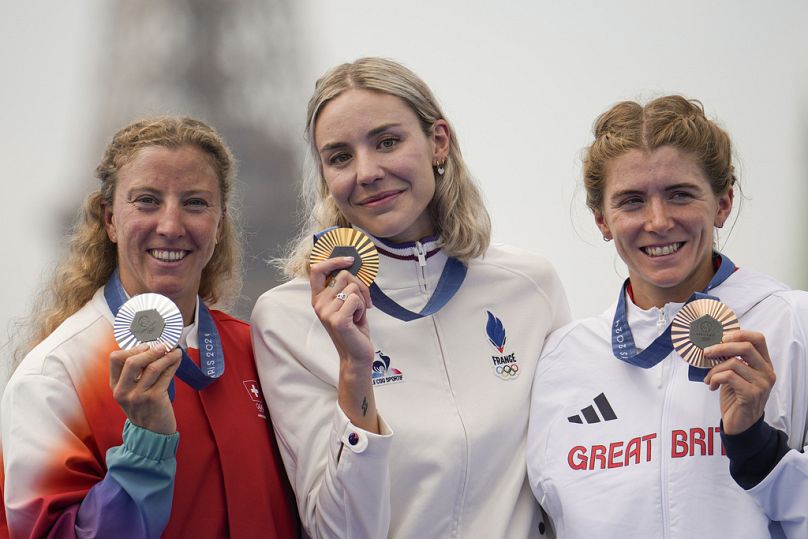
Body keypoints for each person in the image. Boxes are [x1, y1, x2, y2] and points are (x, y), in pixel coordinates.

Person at [251, 57, 570, 539]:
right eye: (340, 157)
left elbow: (566, 482)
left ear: (438, 141)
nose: (367, 171)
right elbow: (338, 531)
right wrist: (354, 371)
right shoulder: (288, 318)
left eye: (387, 142)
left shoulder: (529, 286)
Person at [0, 117, 299, 538]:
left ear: (219, 224)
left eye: (195, 203)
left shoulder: (259, 350)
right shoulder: (56, 374)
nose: (171, 226)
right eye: (146, 201)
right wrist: (145, 445)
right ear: (109, 220)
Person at [527, 95, 808, 538]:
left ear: (722, 203)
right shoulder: (563, 356)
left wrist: (758, 448)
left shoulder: (793, 323)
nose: (658, 221)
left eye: (680, 195)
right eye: (632, 201)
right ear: (602, 219)